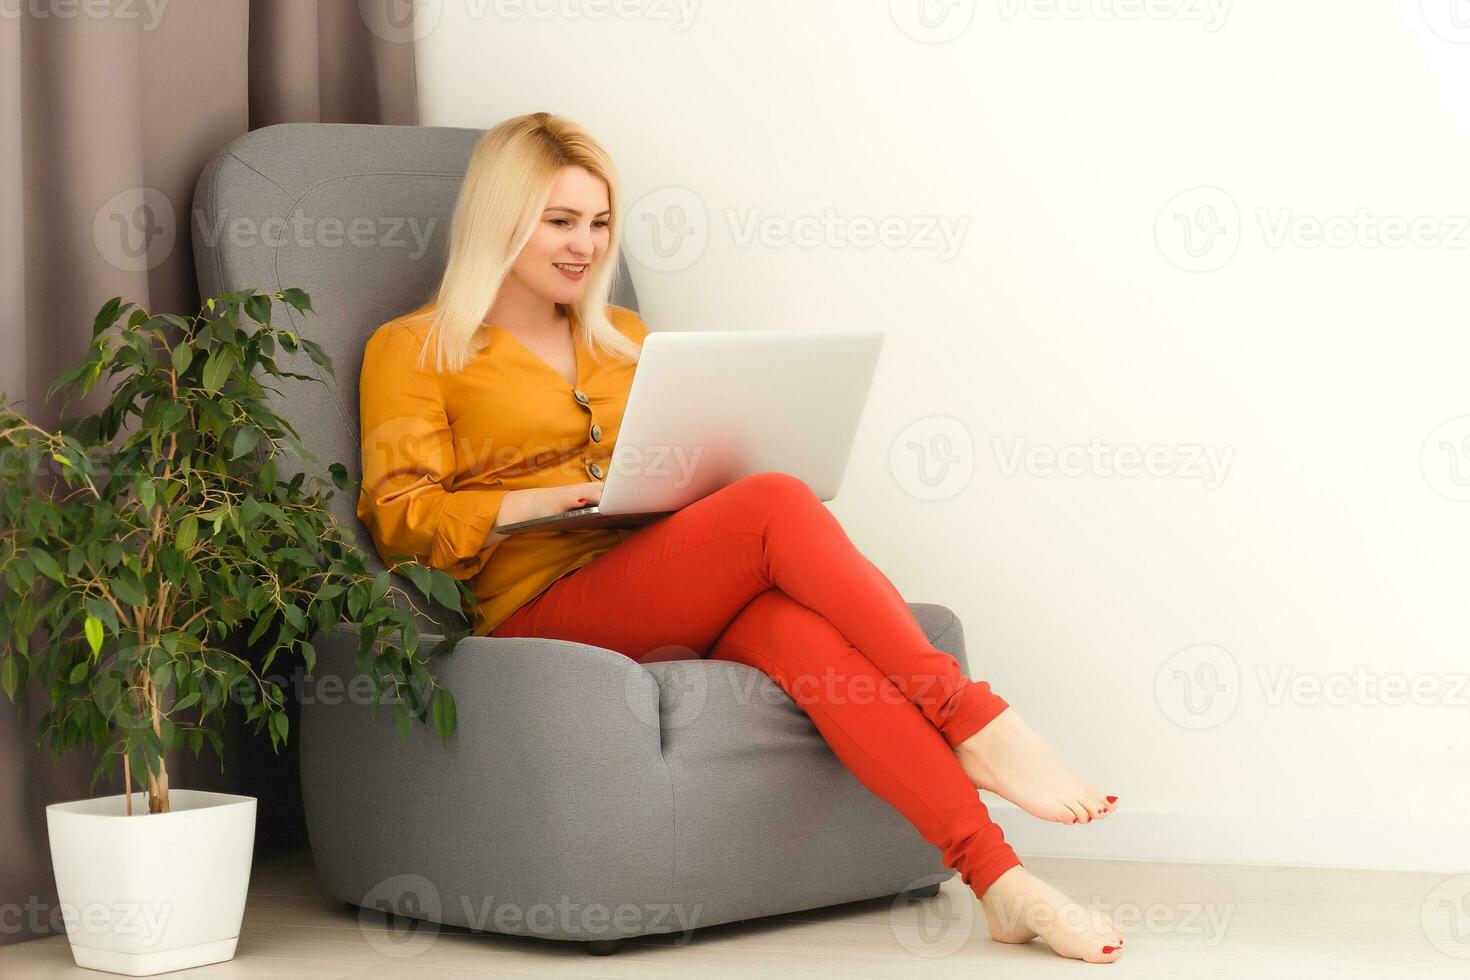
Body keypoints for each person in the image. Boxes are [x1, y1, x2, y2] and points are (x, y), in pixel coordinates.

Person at [357, 111, 1124, 964]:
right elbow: (401, 520)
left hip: (657, 581)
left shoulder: (629, 342)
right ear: (499, 220)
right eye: (560, 220)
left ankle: (1002, 884)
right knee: (772, 505)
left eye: (601, 222)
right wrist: (537, 502)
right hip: (534, 611)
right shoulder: (415, 348)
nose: (584, 244)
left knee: (802, 634)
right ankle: (970, 716)